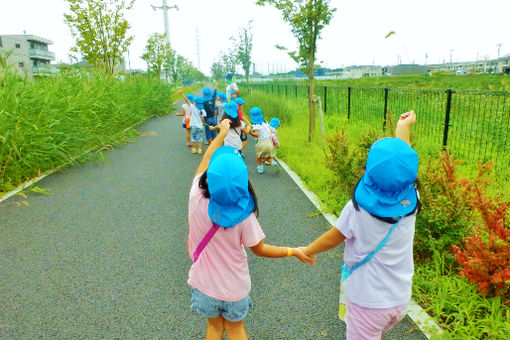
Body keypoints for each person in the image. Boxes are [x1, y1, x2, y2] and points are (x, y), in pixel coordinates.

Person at [187, 119, 314, 340]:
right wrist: (293, 251)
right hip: (235, 288)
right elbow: (260, 249)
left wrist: (221, 134)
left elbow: (206, 159)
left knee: (214, 328)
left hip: (204, 285)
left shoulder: (195, 197)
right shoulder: (244, 216)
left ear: (208, 179)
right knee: (236, 329)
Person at [301, 110, 420, 340]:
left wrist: (309, 250)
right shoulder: (412, 199)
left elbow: (334, 236)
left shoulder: (357, 209)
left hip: (367, 302)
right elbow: (400, 170)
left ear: (368, 170)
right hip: (399, 299)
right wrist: (403, 128)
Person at [249, 107, 279, 174]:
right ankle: (273, 163)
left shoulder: (256, 125)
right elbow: (270, 131)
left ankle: (260, 168)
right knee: (268, 157)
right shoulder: (265, 122)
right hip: (269, 142)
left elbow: (257, 134)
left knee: (259, 156)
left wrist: (250, 132)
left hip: (261, 143)